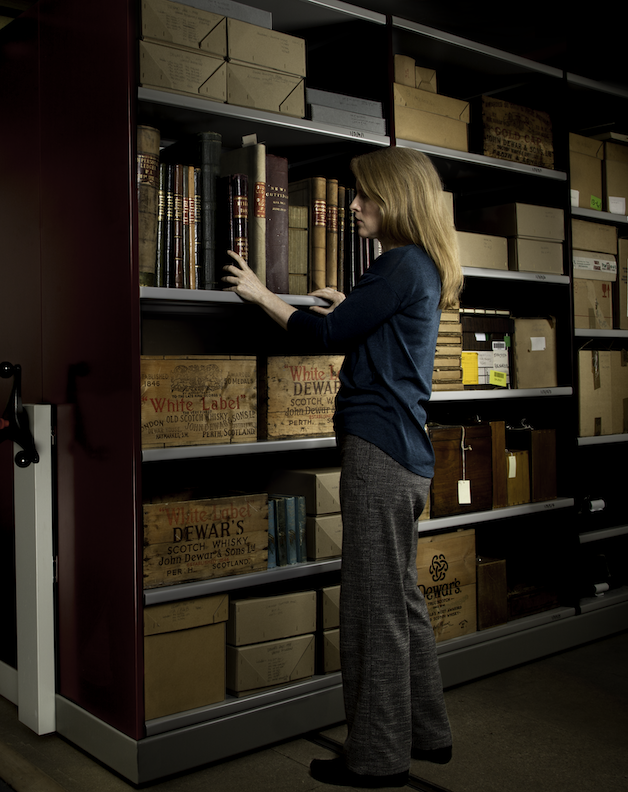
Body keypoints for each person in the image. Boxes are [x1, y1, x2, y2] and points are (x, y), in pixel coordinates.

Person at [223, 146, 463, 789]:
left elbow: (326, 339)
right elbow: (373, 334)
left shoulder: (397, 263)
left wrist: (262, 295)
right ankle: (426, 733)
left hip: (378, 458)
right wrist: (347, 305)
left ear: (396, 201)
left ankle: (378, 759)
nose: (355, 205)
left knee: (371, 611)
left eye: (365, 196)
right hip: (408, 458)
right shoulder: (418, 266)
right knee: (401, 601)